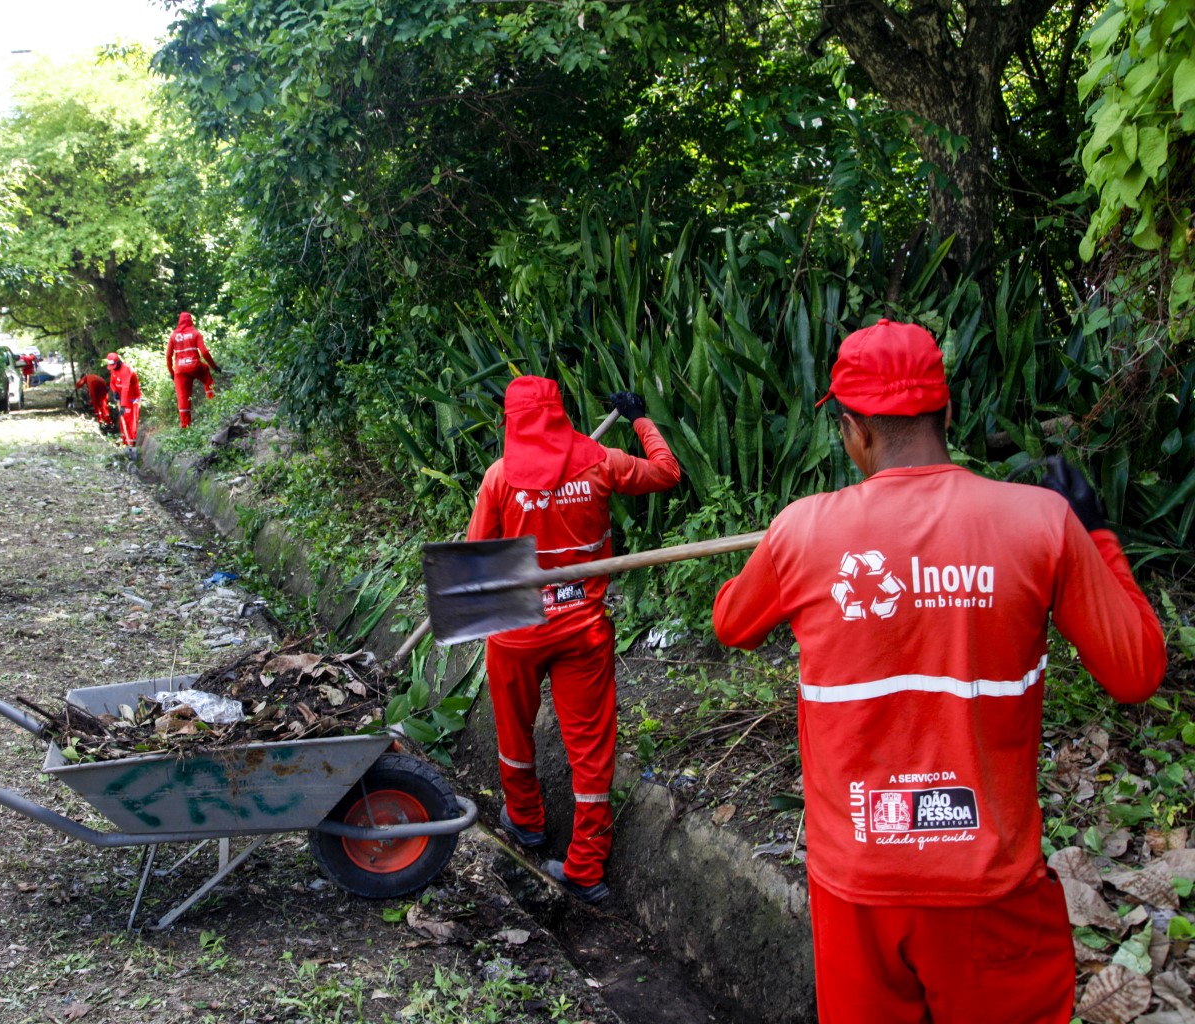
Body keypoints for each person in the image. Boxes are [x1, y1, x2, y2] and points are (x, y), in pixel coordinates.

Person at [712, 319, 1166, 1023]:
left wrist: (783, 548)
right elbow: (1136, 671)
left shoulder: (801, 530)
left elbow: (731, 625)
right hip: (988, 888)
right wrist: (1097, 535)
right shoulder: (1043, 522)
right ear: (948, 413)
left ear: (852, 431)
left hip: (857, 890)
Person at [466, 376, 681, 903]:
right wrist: (639, 419)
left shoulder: (498, 479)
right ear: (560, 413)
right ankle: (586, 868)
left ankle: (526, 821)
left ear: (511, 423)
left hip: (517, 630)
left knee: (514, 733)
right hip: (583, 628)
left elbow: (476, 555)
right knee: (590, 751)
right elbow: (667, 472)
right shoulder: (603, 461)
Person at [166, 311, 220, 428]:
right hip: (195, 366)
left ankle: (185, 426)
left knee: (182, 397)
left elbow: (168, 356)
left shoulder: (173, 336)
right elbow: (204, 352)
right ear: (190, 321)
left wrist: (172, 372)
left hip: (179, 370)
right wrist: (214, 366)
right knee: (207, 376)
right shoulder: (195, 333)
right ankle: (214, 405)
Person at [105, 351, 142, 452]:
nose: (112, 368)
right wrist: (115, 392)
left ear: (118, 362)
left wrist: (123, 406)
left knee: (131, 422)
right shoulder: (113, 369)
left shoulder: (126, 370)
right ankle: (126, 445)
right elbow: (112, 383)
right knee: (123, 421)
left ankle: (132, 447)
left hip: (132, 399)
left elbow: (125, 388)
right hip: (123, 398)